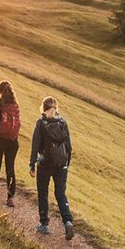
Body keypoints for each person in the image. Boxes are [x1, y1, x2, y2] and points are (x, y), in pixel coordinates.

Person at [29, 96, 74, 239]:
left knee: (43, 193)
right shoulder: (63, 122)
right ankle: (67, 221)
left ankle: (44, 225)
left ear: (43, 107)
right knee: (60, 194)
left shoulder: (41, 123)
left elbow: (35, 145)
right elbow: (69, 146)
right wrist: (67, 163)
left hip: (45, 163)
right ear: (56, 108)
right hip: (61, 164)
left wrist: (32, 164)